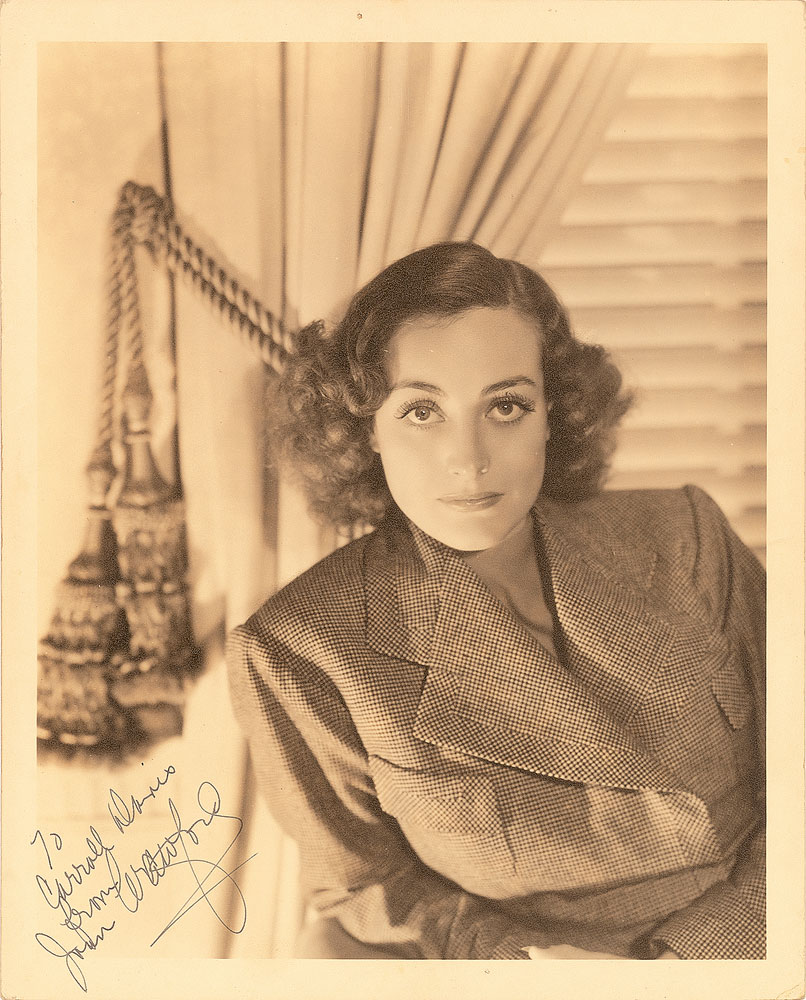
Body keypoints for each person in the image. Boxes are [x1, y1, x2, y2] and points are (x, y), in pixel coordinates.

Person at [226, 242, 765, 960]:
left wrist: (684, 962)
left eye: (506, 406)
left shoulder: (685, 534)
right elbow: (367, 885)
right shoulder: (300, 648)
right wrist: (523, 967)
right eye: (422, 411)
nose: (469, 458)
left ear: (553, 414)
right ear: (365, 429)